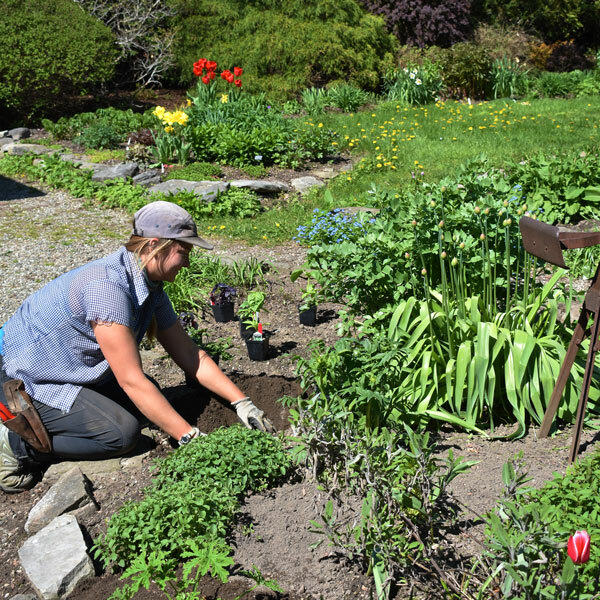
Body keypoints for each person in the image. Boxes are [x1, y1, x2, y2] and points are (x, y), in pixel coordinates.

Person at [0, 200, 273, 493]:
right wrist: (189, 438)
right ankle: (15, 444)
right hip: (23, 378)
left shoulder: (149, 285)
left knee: (147, 402)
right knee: (121, 434)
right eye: (184, 252)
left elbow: (190, 355)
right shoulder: (107, 288)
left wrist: (242, 403)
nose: (189, 263)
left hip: (66, 368)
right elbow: (131, 380)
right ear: (156, 246)